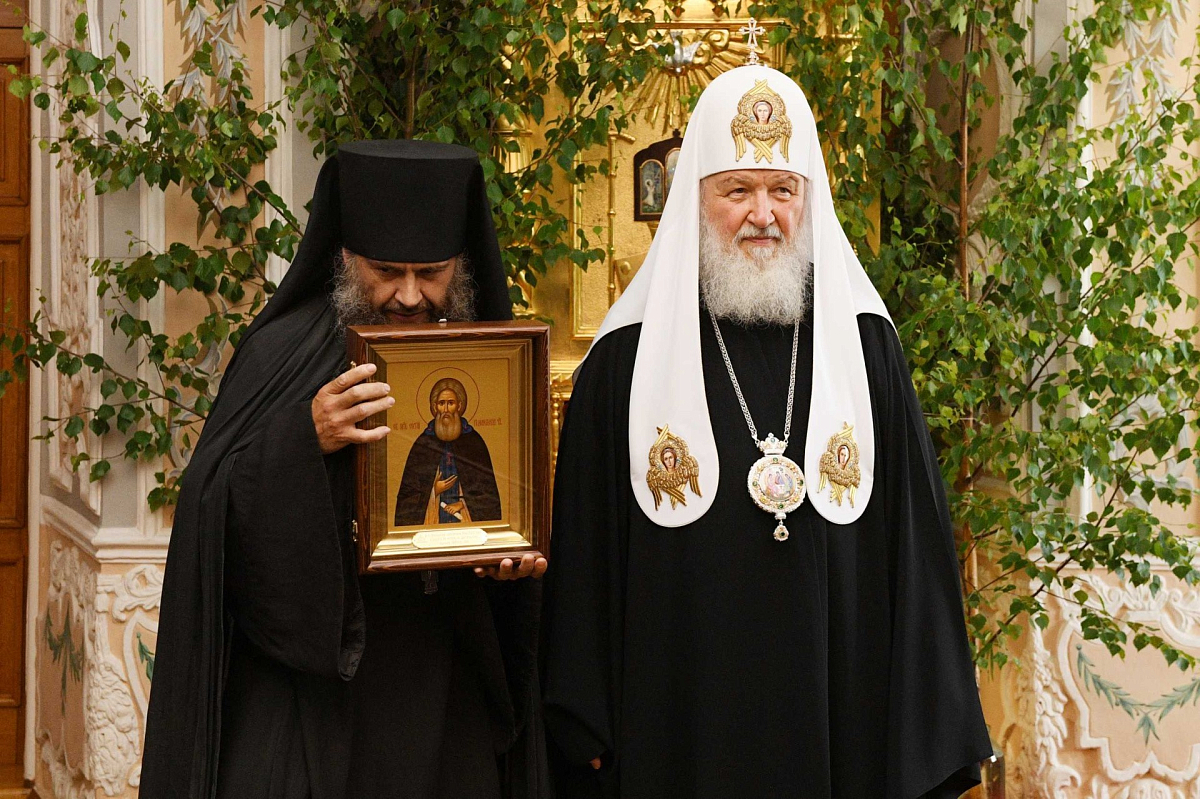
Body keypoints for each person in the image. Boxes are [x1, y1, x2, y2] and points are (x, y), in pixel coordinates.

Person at [541, 65, 992, 798]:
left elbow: (915, 546)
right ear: (694, 198)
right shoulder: (624, 360)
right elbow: (586, 557)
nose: (764, 214)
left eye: (783, 190)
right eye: (738, 191)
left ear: (809, 199)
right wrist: (584, 716)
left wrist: (927, 723)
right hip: (681, 721)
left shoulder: (865, 346)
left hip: (840, 715)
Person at [142, 139, 549, 799]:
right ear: (346, 257)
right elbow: (210, 507)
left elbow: (499, 505)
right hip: (317, 701)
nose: (410, 295)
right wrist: (303, 438)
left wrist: (511, 561)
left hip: (445, 688)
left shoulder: (490, 355)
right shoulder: (281, 354)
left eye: (432, 272)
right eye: (386, 270)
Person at [395, 377, 502, 525]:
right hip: (432, 521)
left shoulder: (474, 442)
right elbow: (408, 496)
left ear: (459, 405)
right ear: (435, 407)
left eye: (450, 403)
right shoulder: (423, 443)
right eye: (441, 403)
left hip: (466, 522)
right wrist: (434, 491)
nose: (445, 410)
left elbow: (487, 494)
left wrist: (462, 504)